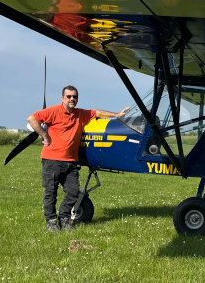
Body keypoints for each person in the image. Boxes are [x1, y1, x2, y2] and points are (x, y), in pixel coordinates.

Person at [27, 85, 130, 233]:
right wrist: (44, 135)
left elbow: (98, 112)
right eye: (68, 96)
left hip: (71, 161)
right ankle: (51, 222)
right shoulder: (53, 111)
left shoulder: (80, 113)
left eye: (74, 97)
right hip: (52, 160)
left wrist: (118, 115)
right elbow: (32, 119)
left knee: (74, 192)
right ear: (62, 98)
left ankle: (64, 218)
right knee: (51, 193)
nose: (72, 99)